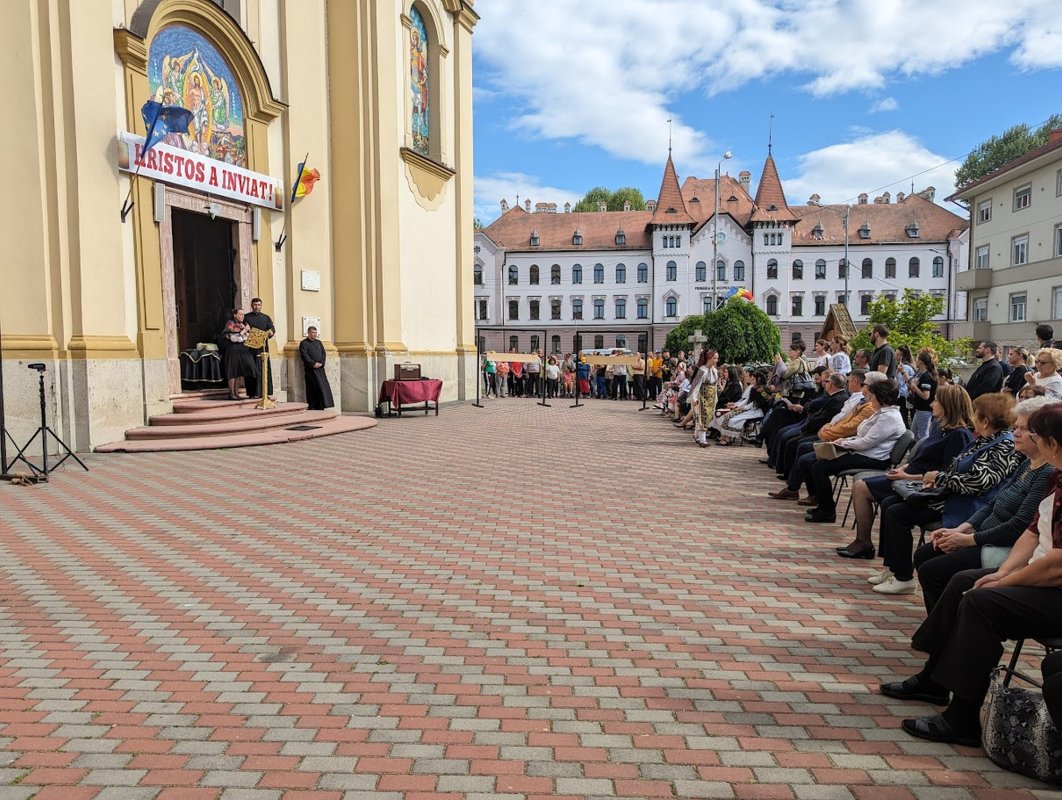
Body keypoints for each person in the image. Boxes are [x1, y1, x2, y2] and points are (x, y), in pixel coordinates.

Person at [878, 402, 1062, 748]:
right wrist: (1004, 572)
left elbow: (1054, 563)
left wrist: (1003, 578)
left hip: (1051, 583)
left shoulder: (1049, 476)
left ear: (1050, 442)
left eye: (1028, 431)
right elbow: (1032, 532)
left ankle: (962, 716)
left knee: (980, 600)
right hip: (1034, 570)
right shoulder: (1053, 475)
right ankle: (935, 677)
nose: (1018, 435)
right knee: (965, 582)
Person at [914, 397, 1057, 611]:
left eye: (1024, 429)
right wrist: (962, 529)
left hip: (1004, 545)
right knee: (925, 554)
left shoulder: (1046, 473)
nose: (1015, 433)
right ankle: (947, 626)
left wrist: (968, 539)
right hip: (985, 533)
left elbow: (1020, 525)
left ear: (1044, 438)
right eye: (1015, 427)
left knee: (935, 570)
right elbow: (993, 503)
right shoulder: (1028, 462)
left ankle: (950, 630)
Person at [870, 392, 1018, 595]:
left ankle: (903, 577)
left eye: (976, 414)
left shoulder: (1003, 445)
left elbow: (979, 482)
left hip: (970, 507)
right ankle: (896, 570)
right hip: (954, 497)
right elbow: (957, 469)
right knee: (891, 504)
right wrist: (937, 480)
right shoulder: (984, 440)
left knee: (898, 512)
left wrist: (938, 479)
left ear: (985, 420)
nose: (972, 417)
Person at [837, 384, 974, 560]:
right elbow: (920, 459)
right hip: (908, 477)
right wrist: (903, 468)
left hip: (921, 485)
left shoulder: (958, 435)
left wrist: (907, 475)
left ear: (949, 405)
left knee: (862, 488)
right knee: (879, 498)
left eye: (937, 401)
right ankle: (878, 552)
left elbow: (946, 473)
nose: (932, 404)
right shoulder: (942, 429)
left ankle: (864, 542)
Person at [800, 378, 905, 523]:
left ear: (882, 397)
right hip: (862, 452)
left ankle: (827, 511)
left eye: (872, 396)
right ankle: (823, 505)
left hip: (873, 458)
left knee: (820, 468)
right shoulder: (880, 412)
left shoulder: (889, 417)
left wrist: (843, 443)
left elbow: (866, 443)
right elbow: (862, 437)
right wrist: (844, 442)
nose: (869, 398)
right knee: (814, 461)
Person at [221, 309, 258, 400]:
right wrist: (244, 331)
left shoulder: (244, 324)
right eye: (240, 314)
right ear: (235, 315)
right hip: (233, 349)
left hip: (242, 349)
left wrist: (246, 330)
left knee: (239, 371)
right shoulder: (230, 324)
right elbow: (233, 338)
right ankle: (231, 393)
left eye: (243, 315)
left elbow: (247, 337)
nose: (242, 316)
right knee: (232, 371)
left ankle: (236, 392)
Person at [243, 297, 276, 399]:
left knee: (263, 369)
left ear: (261, 306)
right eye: (255, 305)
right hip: (250, 348)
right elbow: (244, 329)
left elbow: (271, 329)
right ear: (251, 306)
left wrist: (271, 332)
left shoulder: (266, 318)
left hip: (263, 348)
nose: (257, 307)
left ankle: (264, 392)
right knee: (251, 369)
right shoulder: (246, 317)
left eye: (258, 305)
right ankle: (252, 392)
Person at [298, 326, 334, 410]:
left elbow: (323, 353)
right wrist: (313, 363)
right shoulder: (304, 343)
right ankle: (312, 406)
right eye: (313, 333)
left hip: (320, 369)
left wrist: (321, 363)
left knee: (322, 387)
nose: (314, 334)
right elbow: (304, 355)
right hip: (311, 370)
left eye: (315, 333)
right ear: (308, 333)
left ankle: (321, 405)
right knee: (312, 388)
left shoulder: (319, 342)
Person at [689, 349, 720, 447]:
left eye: (717, 358)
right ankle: (703, 440)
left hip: (711, 398)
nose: (716, 360)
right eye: (714, 358)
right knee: (702, 417)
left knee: (708, 417)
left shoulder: (715, 371)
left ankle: (697, 435)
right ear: (708, 358)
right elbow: (695, 385)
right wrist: (694, 398)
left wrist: (715, 398)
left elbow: (715, 386)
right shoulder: (702, 370)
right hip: (701, 397)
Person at [906, 348, 938, 441]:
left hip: (924, 409)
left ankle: (925, 453)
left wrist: (914, 387)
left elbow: (925, 396)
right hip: (920, 409)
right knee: (914, 433)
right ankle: (915, 451)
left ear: (920, 362)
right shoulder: (924, 374)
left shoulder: (926, 376)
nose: (915, 361)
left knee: (923, 435)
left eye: (917, 359)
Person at [895, 345, 916, 427]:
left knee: (903, 417)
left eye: (897, 354)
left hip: (903, 395)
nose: (895, 356)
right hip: (908, 394)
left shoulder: (904, 367)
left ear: (902, 356)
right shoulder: (910, 366)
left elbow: (900, 383)